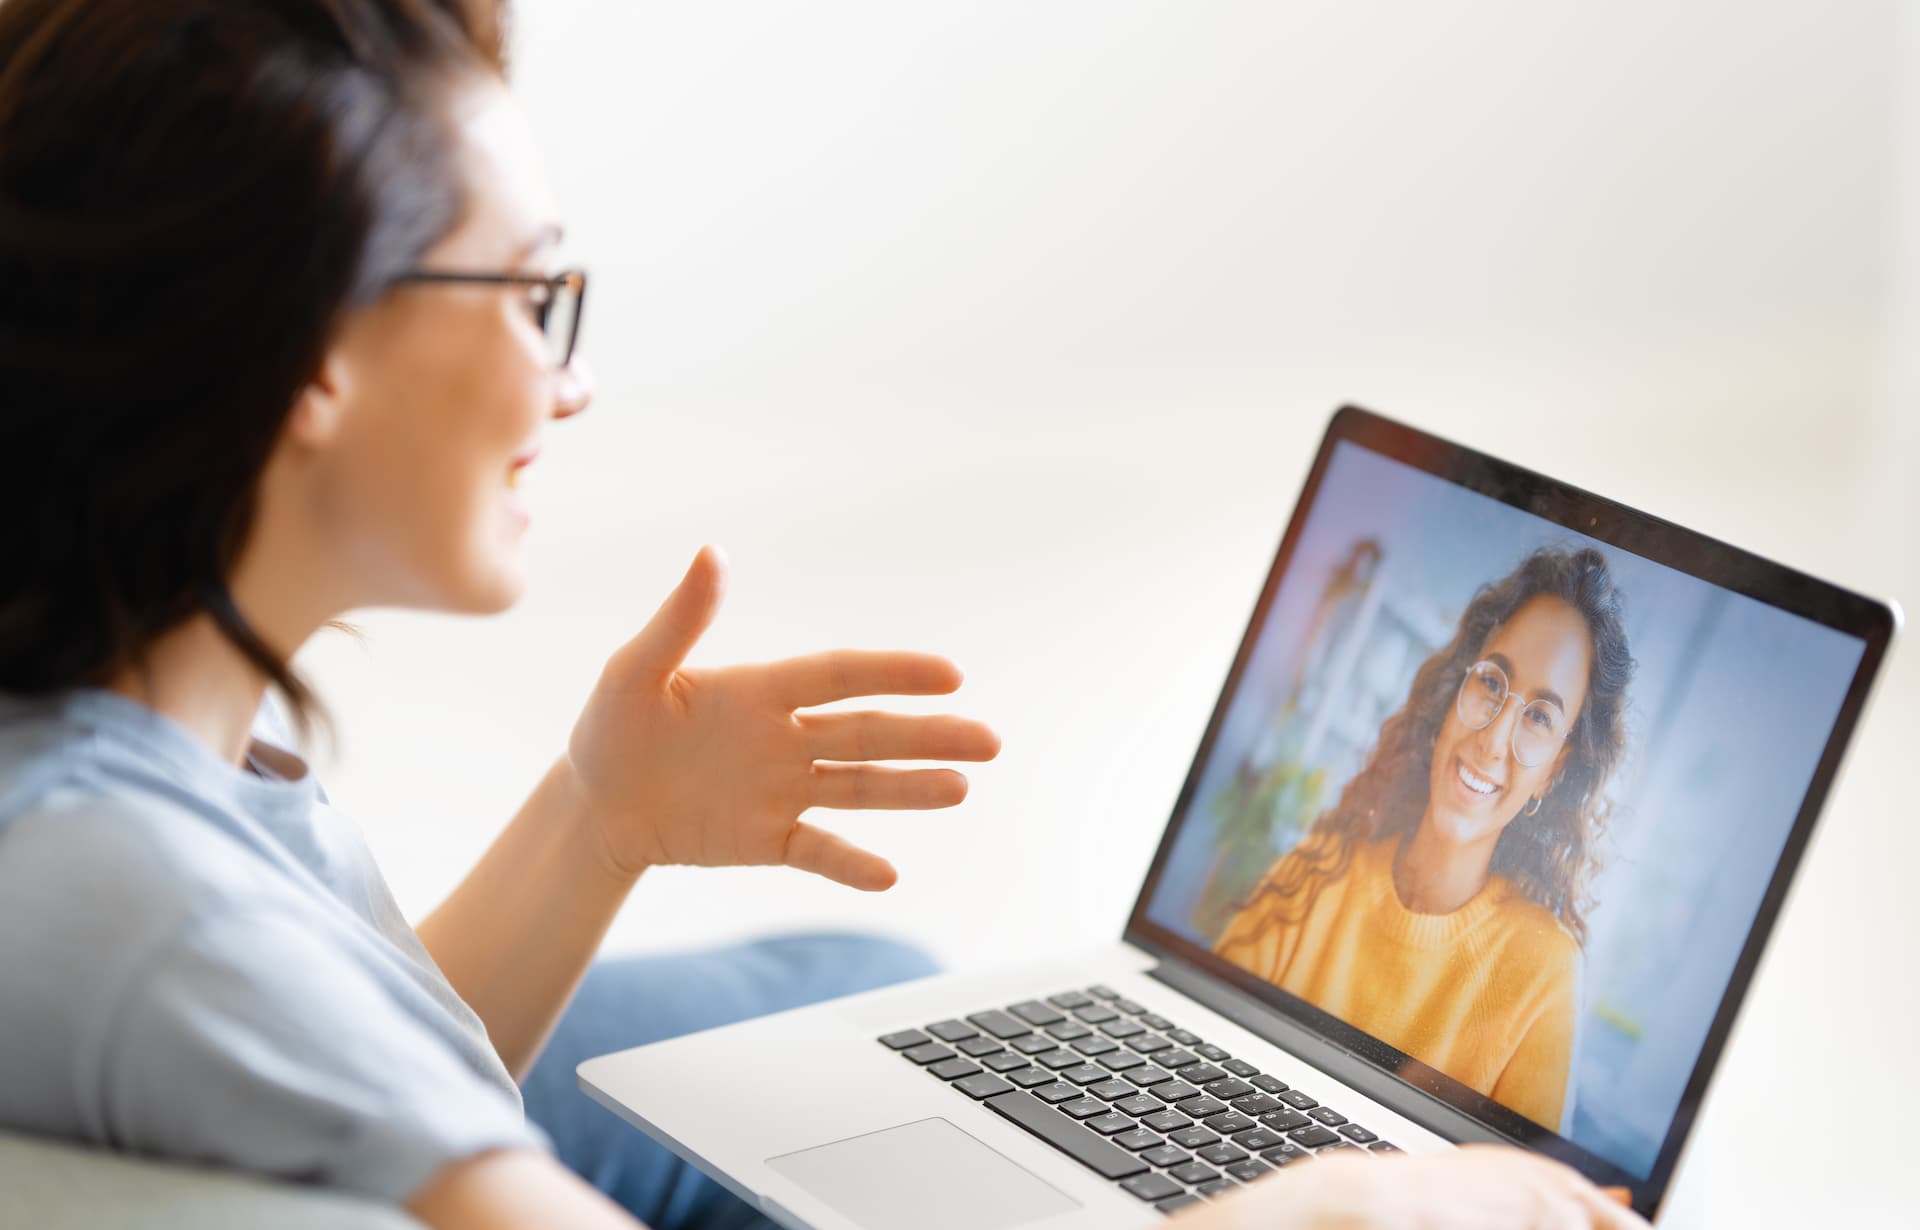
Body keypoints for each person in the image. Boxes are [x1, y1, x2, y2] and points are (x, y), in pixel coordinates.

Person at [0, 2, 1645, 1226]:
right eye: (532, 293)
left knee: (876, 965)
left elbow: (340, 1074)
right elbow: (253, 1005)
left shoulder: (142, 715)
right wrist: (1323, 1206)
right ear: (316, 352)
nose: (569, 382)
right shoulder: (150, 914)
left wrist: (598, 816)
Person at [1215, 548, 1634, 1130]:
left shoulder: (1544, 972)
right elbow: (1205, 1040)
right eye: (1493, 683)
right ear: (1456, 691)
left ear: (1555, 773)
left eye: (1539, 718)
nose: (1492, 743)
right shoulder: (1319, 871)